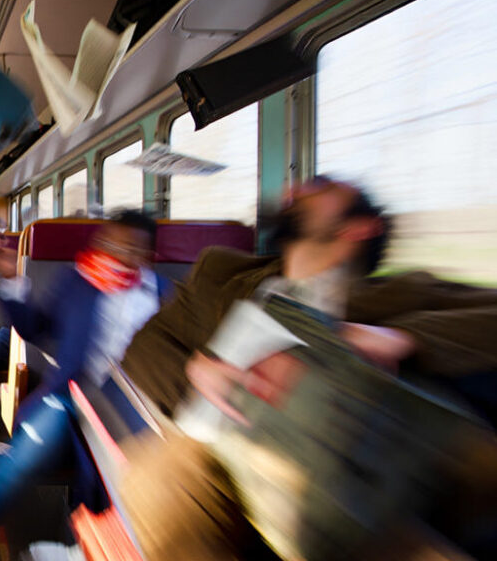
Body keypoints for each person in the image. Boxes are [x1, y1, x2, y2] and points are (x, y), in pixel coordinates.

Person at [117, 177, 497, 559]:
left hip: (356, 440)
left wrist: (403, 336)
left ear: (357, 227)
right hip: (223, 445)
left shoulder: (403, 292)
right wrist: (199, 369)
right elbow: (143, 347)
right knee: (157, 480)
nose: (291, 191)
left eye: (318, 187)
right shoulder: (219, 273)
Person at [0, 211, 172, 557]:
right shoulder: (80, 280)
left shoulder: (164, 295)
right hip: (71, 396)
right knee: (15, 467)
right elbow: (35, 328)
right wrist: (12, 281)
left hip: (129, 404)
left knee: (147, 487)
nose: (115, 252)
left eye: (128, 247)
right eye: (111, 242)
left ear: (147, 256)